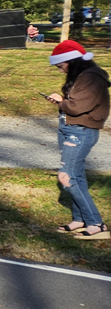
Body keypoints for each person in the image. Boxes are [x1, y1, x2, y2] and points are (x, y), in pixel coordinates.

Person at [45, 40, 109, 239]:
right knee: (77, 175)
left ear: (72, 61)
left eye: (61, 66)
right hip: (71, 128)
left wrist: (61, 102)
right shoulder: (82, 76)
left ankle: (96, 223)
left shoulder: (91, 77)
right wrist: (62, 102)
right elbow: (74, 104)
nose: (60, 70)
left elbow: (76, 107)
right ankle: (79, 219)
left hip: (80, 131)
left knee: (67, 177)